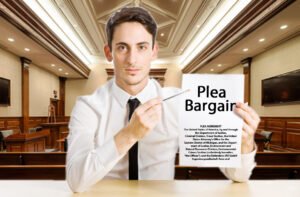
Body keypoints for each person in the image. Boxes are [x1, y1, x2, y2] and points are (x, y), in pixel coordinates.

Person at [66, 6, 260, 193]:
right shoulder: (88, 106)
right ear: (109, 53)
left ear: (154, 51)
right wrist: (129, 134)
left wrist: (244, 144)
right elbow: (76, 181)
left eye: (142, 47)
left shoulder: (181, 103)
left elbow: (238, 176)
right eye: (122, 47)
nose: (132, 59)